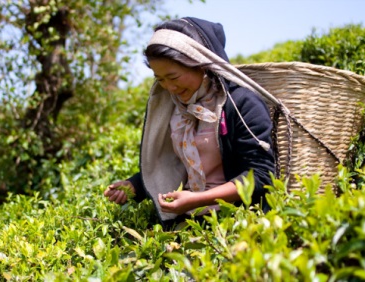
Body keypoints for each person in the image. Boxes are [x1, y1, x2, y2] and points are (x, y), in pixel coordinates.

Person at [104, 17, 275, 228]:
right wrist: (134, 186)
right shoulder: (175, 110)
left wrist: (198, 199)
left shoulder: (239, 103)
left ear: (200, 64)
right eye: (160, 79)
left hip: (238, 221)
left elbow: (260, 176)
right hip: (191, 222)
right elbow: (176, 164)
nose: (169, 87)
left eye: (173, 77)